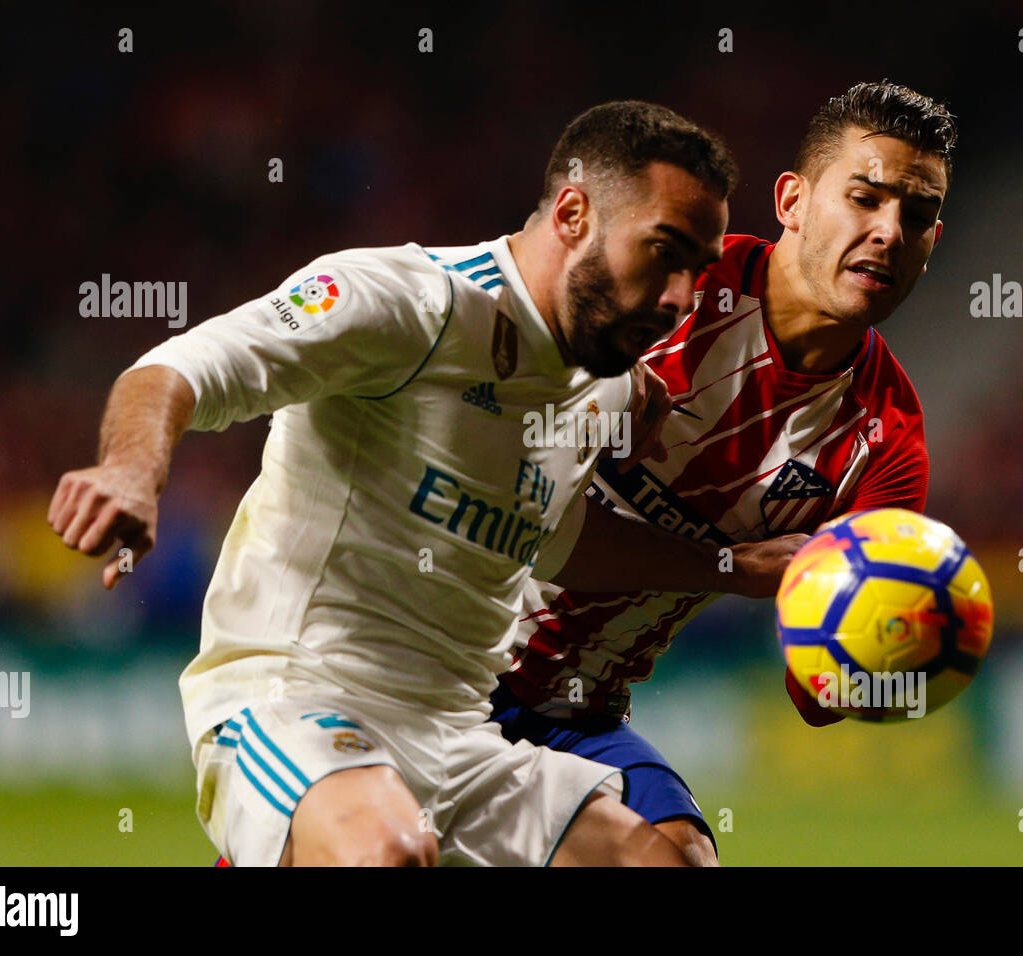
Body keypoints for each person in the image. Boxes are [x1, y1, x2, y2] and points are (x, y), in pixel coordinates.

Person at [48, 100, 802, 867]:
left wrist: (733, 570)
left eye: (695, 271)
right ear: (573, 213)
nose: (678, 297)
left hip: (459, 738)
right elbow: (182, 366)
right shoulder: (408, 303)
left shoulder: (603, 387)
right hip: (295, 699)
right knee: (385, 851)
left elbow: (556, 544)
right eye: (662, 253)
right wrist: (130, 470)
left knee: (672, 863)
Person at [493, 80, 957, 866]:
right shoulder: (666, 287)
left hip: (578, 712)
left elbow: (816, 702)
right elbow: (528, 524)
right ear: (793, 201)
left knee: (682, 858)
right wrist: (730, 566)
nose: (888, 231)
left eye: (914, 215)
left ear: (932, 242)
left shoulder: (888, 442)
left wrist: (884, 640)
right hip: (442, 662)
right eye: (865, 197)